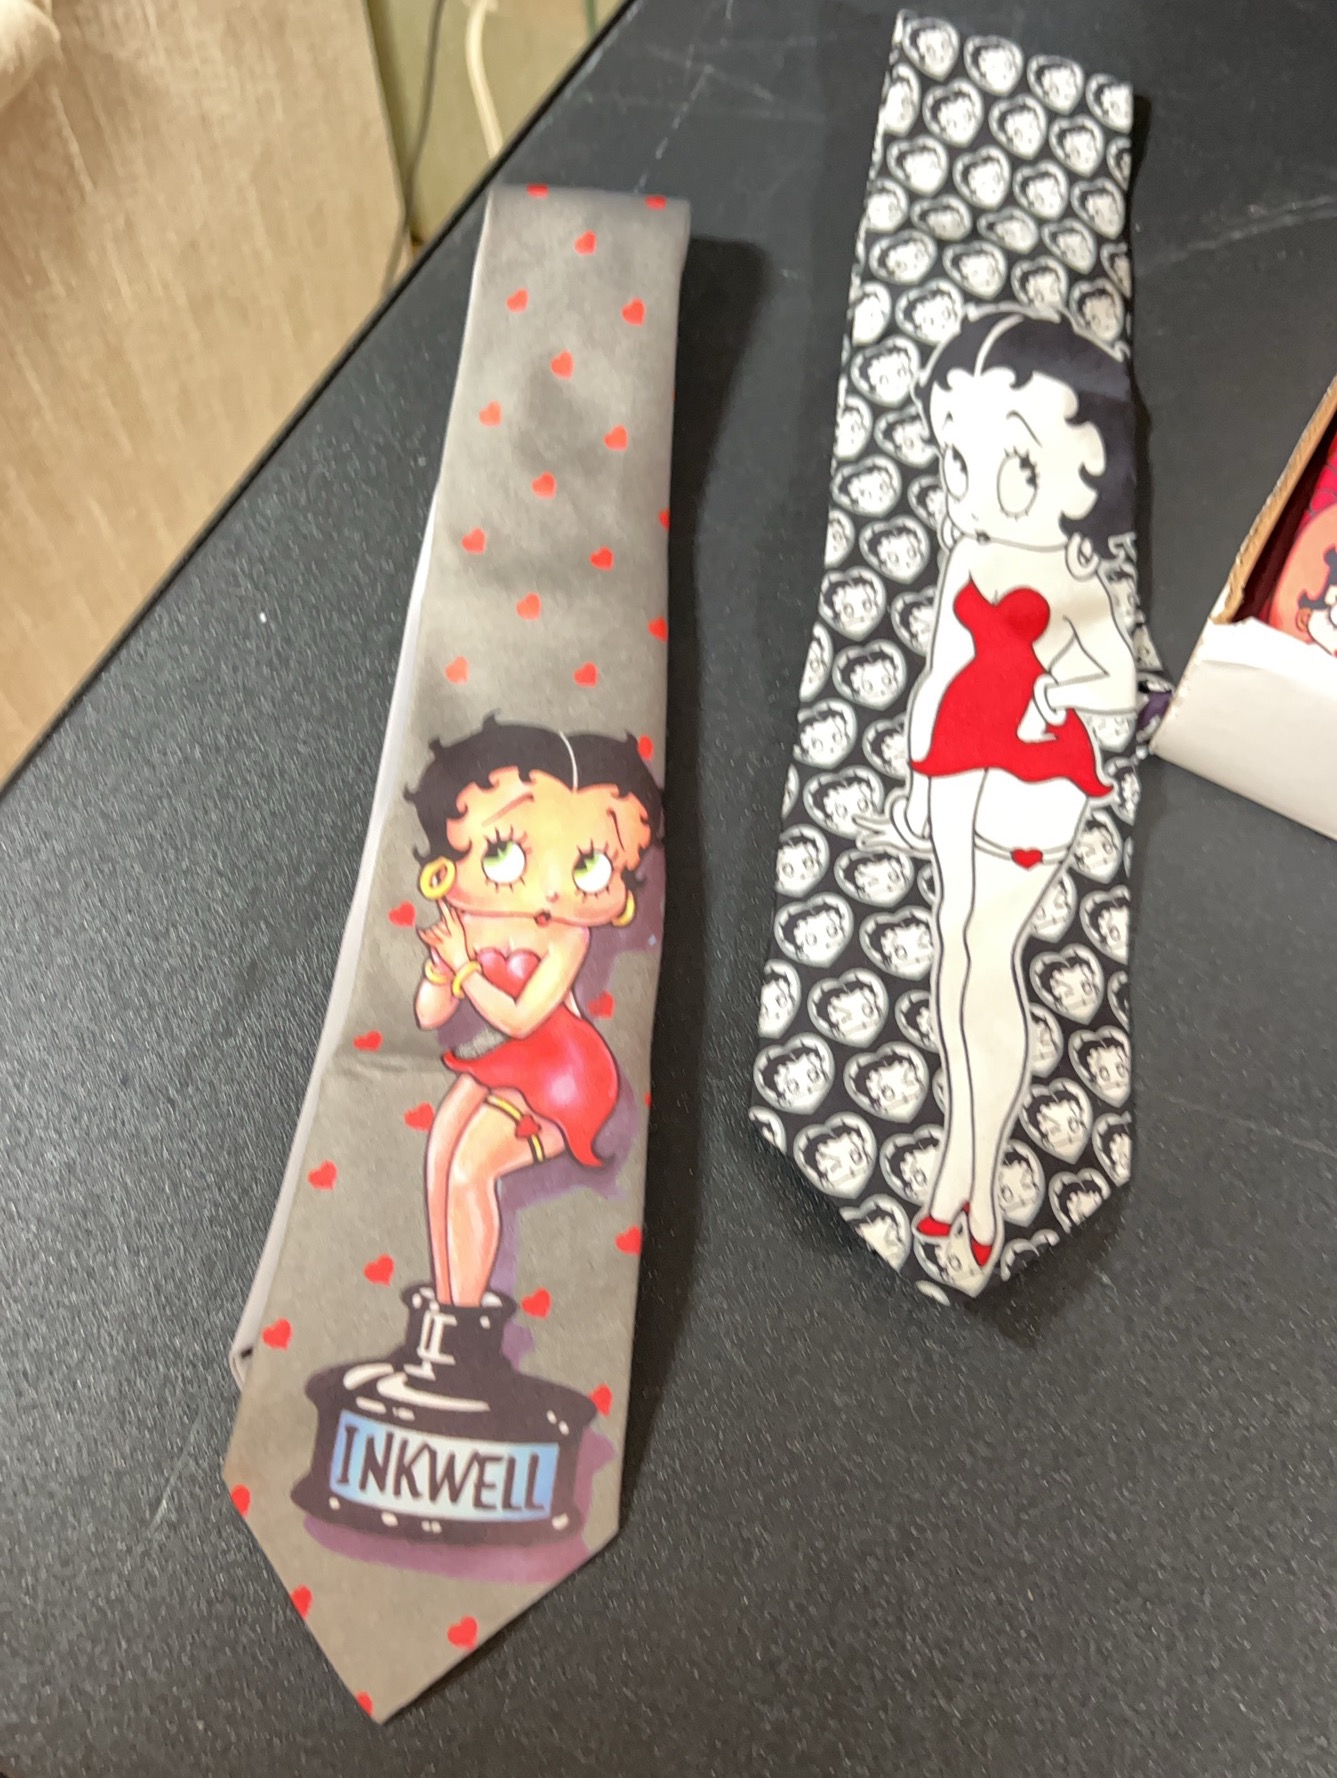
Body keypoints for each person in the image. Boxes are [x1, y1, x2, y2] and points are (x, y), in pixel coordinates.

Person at [870, 309, 1137, 1275]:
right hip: (954, 768)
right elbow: (940, 671)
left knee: (993, 958)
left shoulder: (1082, 580)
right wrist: (914, 777)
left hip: (1033, 783)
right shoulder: (967, 557)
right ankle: (955, 1166)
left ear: (1085, 475)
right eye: (957, 461)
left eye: (1015, 465)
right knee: (954, 952)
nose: (975, 488)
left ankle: (985, 1175)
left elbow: (1114, 679)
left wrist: (1058, 692)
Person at [406, 718, 660, 1307]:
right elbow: (428, 1013)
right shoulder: (468, 921)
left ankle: (465, 1320)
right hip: (510, 1062)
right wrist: (443, 966)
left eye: (592, 866)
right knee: (440, 1155)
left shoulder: (567, 935)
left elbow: (523, 1019)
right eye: (503, 853)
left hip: (567, 1073)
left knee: (471, 1171)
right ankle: (446, 1310)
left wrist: (464, 967)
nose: (550, 888)